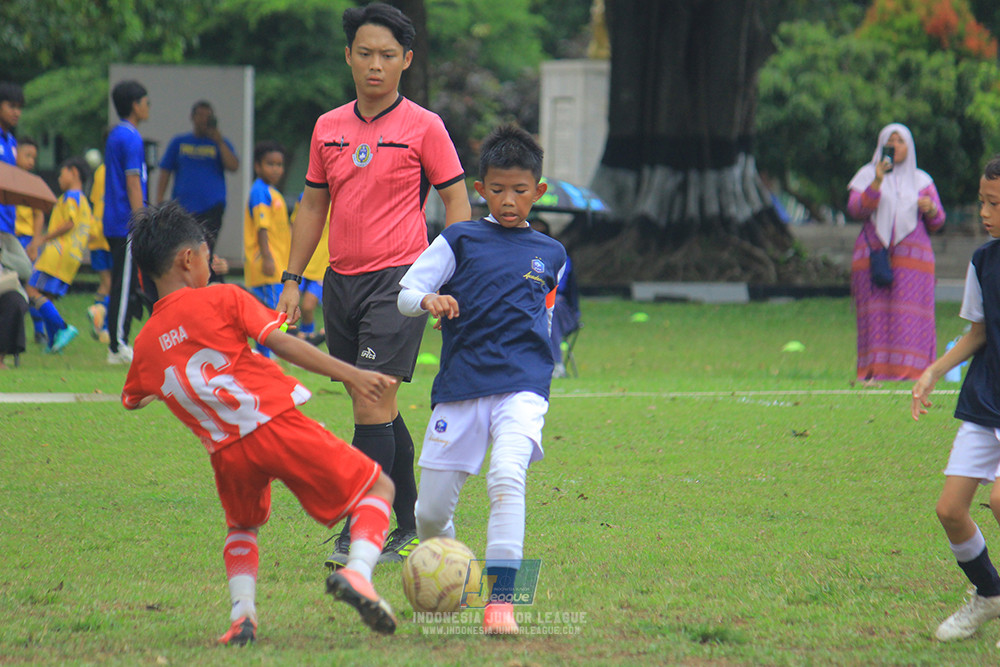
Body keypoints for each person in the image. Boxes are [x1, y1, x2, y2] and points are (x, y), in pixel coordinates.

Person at [121, 201, 401, 645]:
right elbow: (282, 344)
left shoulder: (145, 343)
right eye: (208, 256)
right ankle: (359, 574)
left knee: (242, 526)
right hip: (273, 424)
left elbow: (134, 399)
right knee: (378, 488)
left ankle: (242, 617)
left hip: (225, 453)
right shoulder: (223, 297)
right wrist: (352, 374)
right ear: (187, 259)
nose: (212, 265)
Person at [275, 2, 472, 568]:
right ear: (348, 57)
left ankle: (364, 526)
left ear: (406, 60)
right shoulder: (327, 127)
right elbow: (313, 205)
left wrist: (448, 276)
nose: (375, 65)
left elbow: (457, 203)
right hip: (340, 283)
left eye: (387, 55)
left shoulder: (426, 127)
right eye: (365, 53)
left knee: (369, 397)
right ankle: (406, 522)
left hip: (400, 284)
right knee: (375, 401)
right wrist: (293, 278)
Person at [397, 125, 566, 635]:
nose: (508, 200)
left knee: (507, 477)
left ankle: (501, 605)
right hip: (462, 384)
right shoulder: (459, 238)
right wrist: (429, 300)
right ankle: (454, 569)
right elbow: (406, 293)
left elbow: (547, 317)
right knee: (429, 515)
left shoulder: (553, 254)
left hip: (524, 385)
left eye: (520, 190)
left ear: (538, 191)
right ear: (480, 189)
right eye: (497, 189)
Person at [911, 155, 1000, 643]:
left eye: (995, 204)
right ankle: (990, 594)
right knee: (949, 510)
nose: (984, 213)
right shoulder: (983, 262)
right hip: (986, 400)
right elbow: (978, 332)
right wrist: (932, 371)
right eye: (982, 202)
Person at [848, 123, 945, 383]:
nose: (895, 146)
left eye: (900, 141)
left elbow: (938, 221)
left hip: (914, 261)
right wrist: (878, 180)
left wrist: (931, 209)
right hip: (874, 257)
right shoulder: (867, 174)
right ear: (881, 145)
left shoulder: (922, 180)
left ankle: (915, 371)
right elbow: (856, 209)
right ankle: (875, 370)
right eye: (890, 141)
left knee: (910, 314)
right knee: (875, 314)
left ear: (909, 146)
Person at [155, 100, 239, 282]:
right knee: (184, 247)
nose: (203, 120)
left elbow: (233, 165)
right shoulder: (179, 142)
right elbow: (165, 170)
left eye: (207, 116)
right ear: (192, 117)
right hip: (184, 206)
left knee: (206, 248)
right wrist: (160, 199)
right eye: (199, 115)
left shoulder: (219, 143)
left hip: (212, 206)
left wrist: (218, 140)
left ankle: (208, 281)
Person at [104, 80, 151, 365]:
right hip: (125, 222)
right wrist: (140, 220)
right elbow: (133, 181)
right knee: (123, 285)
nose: (148, 107)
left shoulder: (116, 135)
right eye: (146, 102)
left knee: (127, 282)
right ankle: (116, 345)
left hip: (114, 219)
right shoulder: (131, 137)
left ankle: (120, 339)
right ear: (135, 105)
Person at [25, 157, 93, 353]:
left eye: (62, 174)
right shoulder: (84, 201)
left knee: (31, 289)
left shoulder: (70, 197)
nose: (59, 178)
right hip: (73, 257)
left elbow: (69, 223)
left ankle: (63, 327)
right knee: (47, 297)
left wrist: (43, 238)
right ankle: (54, 343)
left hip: (58, 253)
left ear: (74, 172)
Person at [243, 141, 290, 357]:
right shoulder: (260, 192)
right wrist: (268, 258)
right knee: (271, 314)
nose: (276, 169)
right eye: (270, 164)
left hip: (277, 264)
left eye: (279, 164)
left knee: (272, 313)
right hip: (266, 266)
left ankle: (266, 355)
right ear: (258, 166)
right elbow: (262, 228)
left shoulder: (272, 192)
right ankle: (266, 356)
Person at [530, 219, 581, 378]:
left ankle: (555, 363)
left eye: (542, 234)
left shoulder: (559, 257)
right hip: (528, 309)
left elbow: (558, 287)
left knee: (552, 304)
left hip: (563, 312)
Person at [288, 192, 327, 346]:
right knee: (289, 308)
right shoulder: (305, 196)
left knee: (308, 307)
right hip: (303, 262)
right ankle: (286, 340)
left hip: (322, 266)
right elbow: (294, 225)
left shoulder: (340, 197)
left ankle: (307, 344)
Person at [86, 142, 112, 344]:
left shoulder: (101, 170)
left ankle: (101, 325)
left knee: (105, 283)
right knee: (112, 283)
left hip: (96, 231)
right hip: (109, 232)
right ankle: (99, 314)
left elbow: (95, 199)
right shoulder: (116, 170)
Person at [0, 230, 31, 369]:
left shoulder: (7, 240)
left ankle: (0, 358)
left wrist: (3, 255)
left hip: (5, 288)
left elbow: (26, 270)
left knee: (15, 303)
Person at [14, 137, 44, 258]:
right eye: (27, 156)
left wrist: (34, 244)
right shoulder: (6, 180)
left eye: (34, 158)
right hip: (8, 234)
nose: (31, 161)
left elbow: (38, 215)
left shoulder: (32, 184)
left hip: (26, 238)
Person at [0, 82, 24, 236]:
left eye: (19, 108)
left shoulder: (12, 142)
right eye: (11, 106)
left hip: (9, 223)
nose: (17, 113)